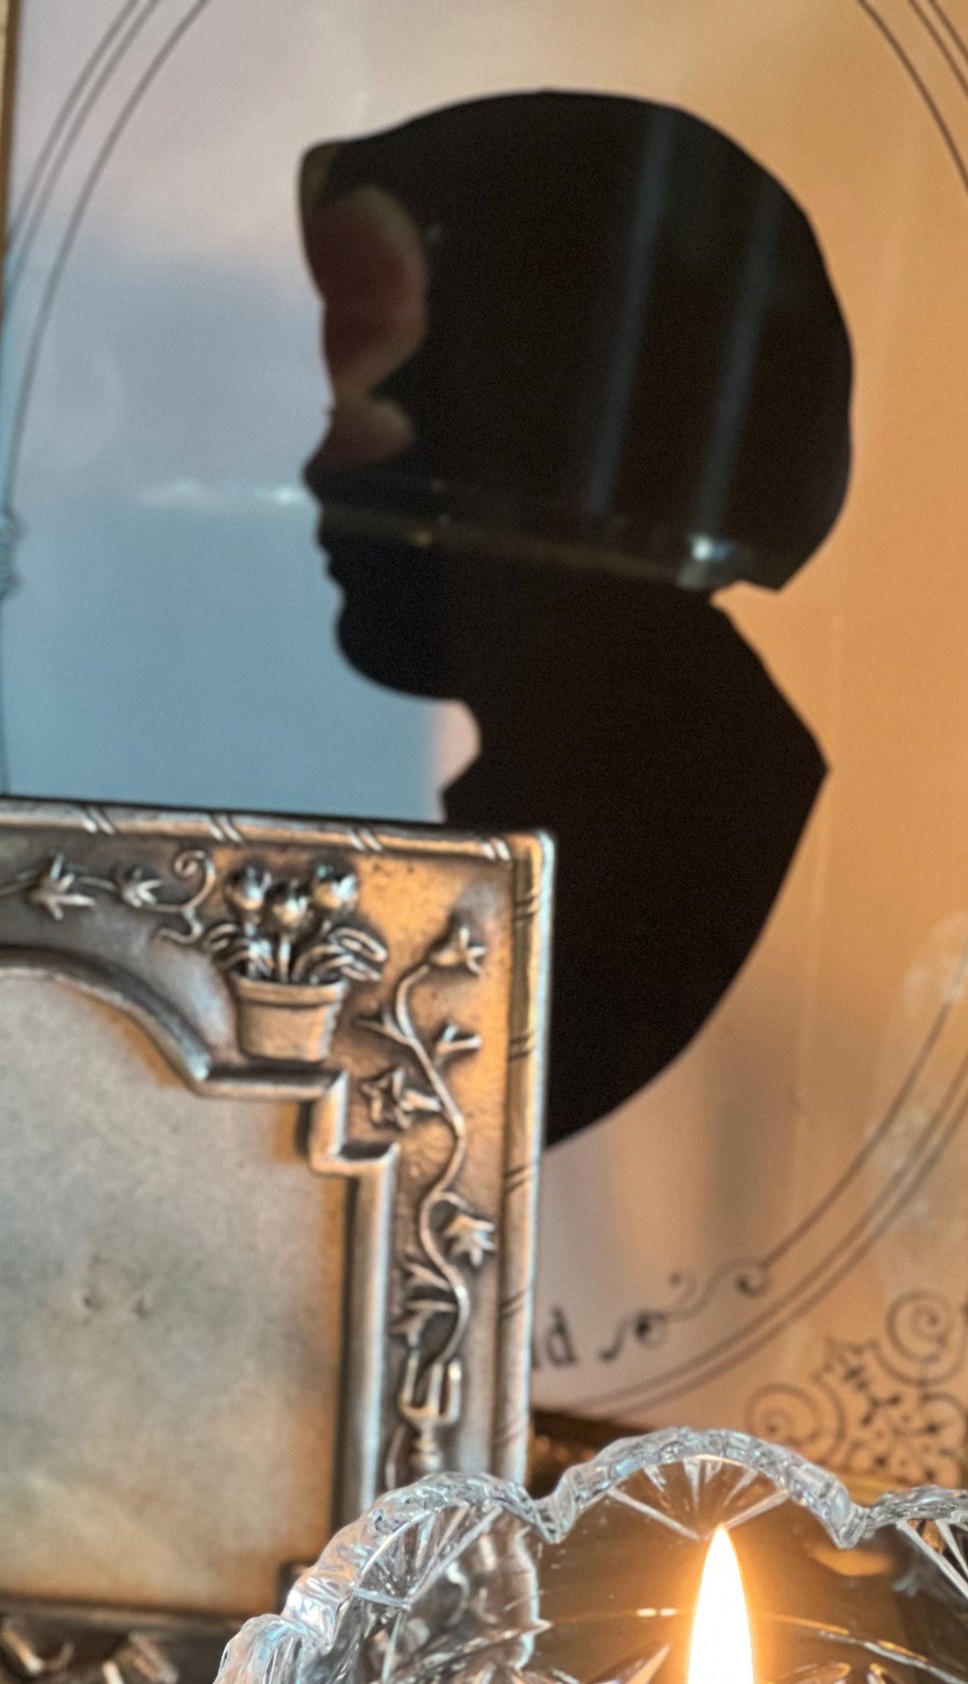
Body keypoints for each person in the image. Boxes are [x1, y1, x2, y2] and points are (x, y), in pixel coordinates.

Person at [301, 91, 854, 1144]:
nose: (311, 462)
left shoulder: (671, 819)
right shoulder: (627, 765)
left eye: (370, 379)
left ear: (523, 410)